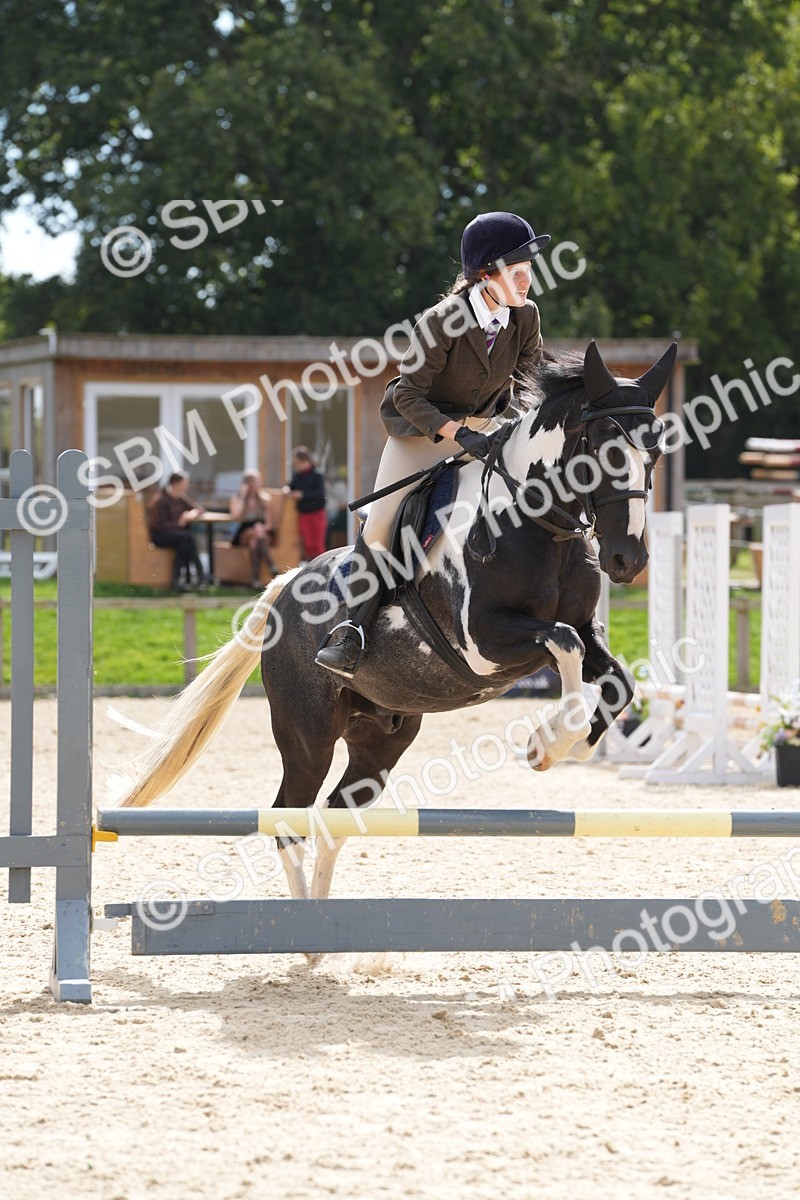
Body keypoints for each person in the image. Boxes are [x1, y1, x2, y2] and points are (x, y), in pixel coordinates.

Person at [315, 210, 550, 678]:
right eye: (517, 268)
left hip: (482, 431)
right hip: (420, 432)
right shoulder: (443, 320)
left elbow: (530, 380)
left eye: (528, 267)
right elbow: (405, 394)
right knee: (382, 528)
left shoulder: (525, 318)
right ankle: (349, 631)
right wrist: (456, 432)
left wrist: (516, 423)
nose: (527, 278)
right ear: (486, 275)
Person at [148, 471, 209, 592]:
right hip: (160, 535)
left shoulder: (181, 498)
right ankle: (200, 576)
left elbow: (199, 509)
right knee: (188, 538)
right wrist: (179, 522)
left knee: (184, 544)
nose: (187, 486)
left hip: (178, 536)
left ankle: (177, 580)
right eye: (185, 483)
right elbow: (158, 525)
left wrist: (190, 514)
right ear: (176, 483)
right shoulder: (161, 500)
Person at [229, 469, 278, 587]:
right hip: (243, 532)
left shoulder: (265, 499)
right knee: (256, 531)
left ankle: (254, 578)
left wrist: (258, 530)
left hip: (261, 533)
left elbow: (269, 525)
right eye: (254, 481)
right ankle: (272, 567)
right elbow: (236, 516)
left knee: (254, 541)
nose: (258, 483)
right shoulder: (237, 499)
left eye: (258, 480)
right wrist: (242, 498)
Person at [285, 447, 328, 563]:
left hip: (317, 513)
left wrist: (303, 495)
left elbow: (319, 495)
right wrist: (287, 490)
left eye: (296, 463)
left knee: (317, 545)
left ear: (304, 461)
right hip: (304, 514)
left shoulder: (317, 476)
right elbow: (290, 487)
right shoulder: (297, 477)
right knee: (308, 544)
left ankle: (321, 566)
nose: (295, 466)